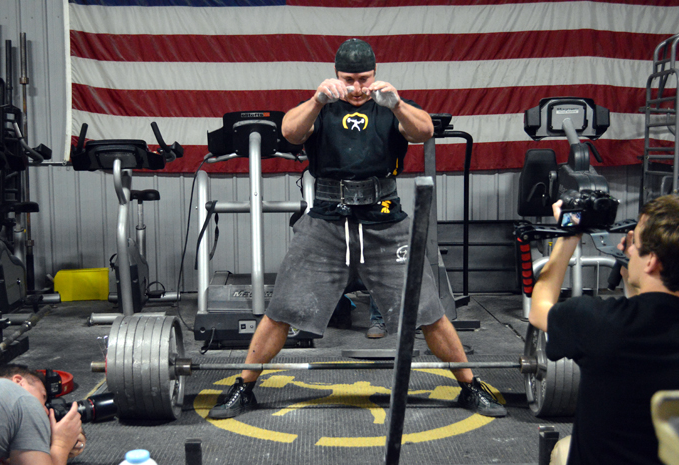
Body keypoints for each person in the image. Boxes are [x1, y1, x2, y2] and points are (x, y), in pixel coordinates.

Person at [208, 38, 506, 420]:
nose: (356, 87)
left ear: (375, 74)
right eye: (348, 79)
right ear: (336, 75)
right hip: (327, 220)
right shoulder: (322, 107)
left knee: (428, 310)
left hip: (384, 221)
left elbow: (425, 131)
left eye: (363, 79)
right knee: (281, 307)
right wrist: (317, 99)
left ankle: (469, 386)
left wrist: (396, 102)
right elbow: (290, 133)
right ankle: (244, 387)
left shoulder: (390, 106)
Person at [528, 195, 679, 465]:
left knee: (562, 450)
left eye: (637, 246)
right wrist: (632, 278)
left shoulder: (600, 323)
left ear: (651, 262)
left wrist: (568, 237)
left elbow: (540, 309)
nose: (629, 249)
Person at [0, 364, 86, 465]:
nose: (46, 411)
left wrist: (43, 448)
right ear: (18, 381)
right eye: (43, 396)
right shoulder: (24, 399)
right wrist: (61, 445)